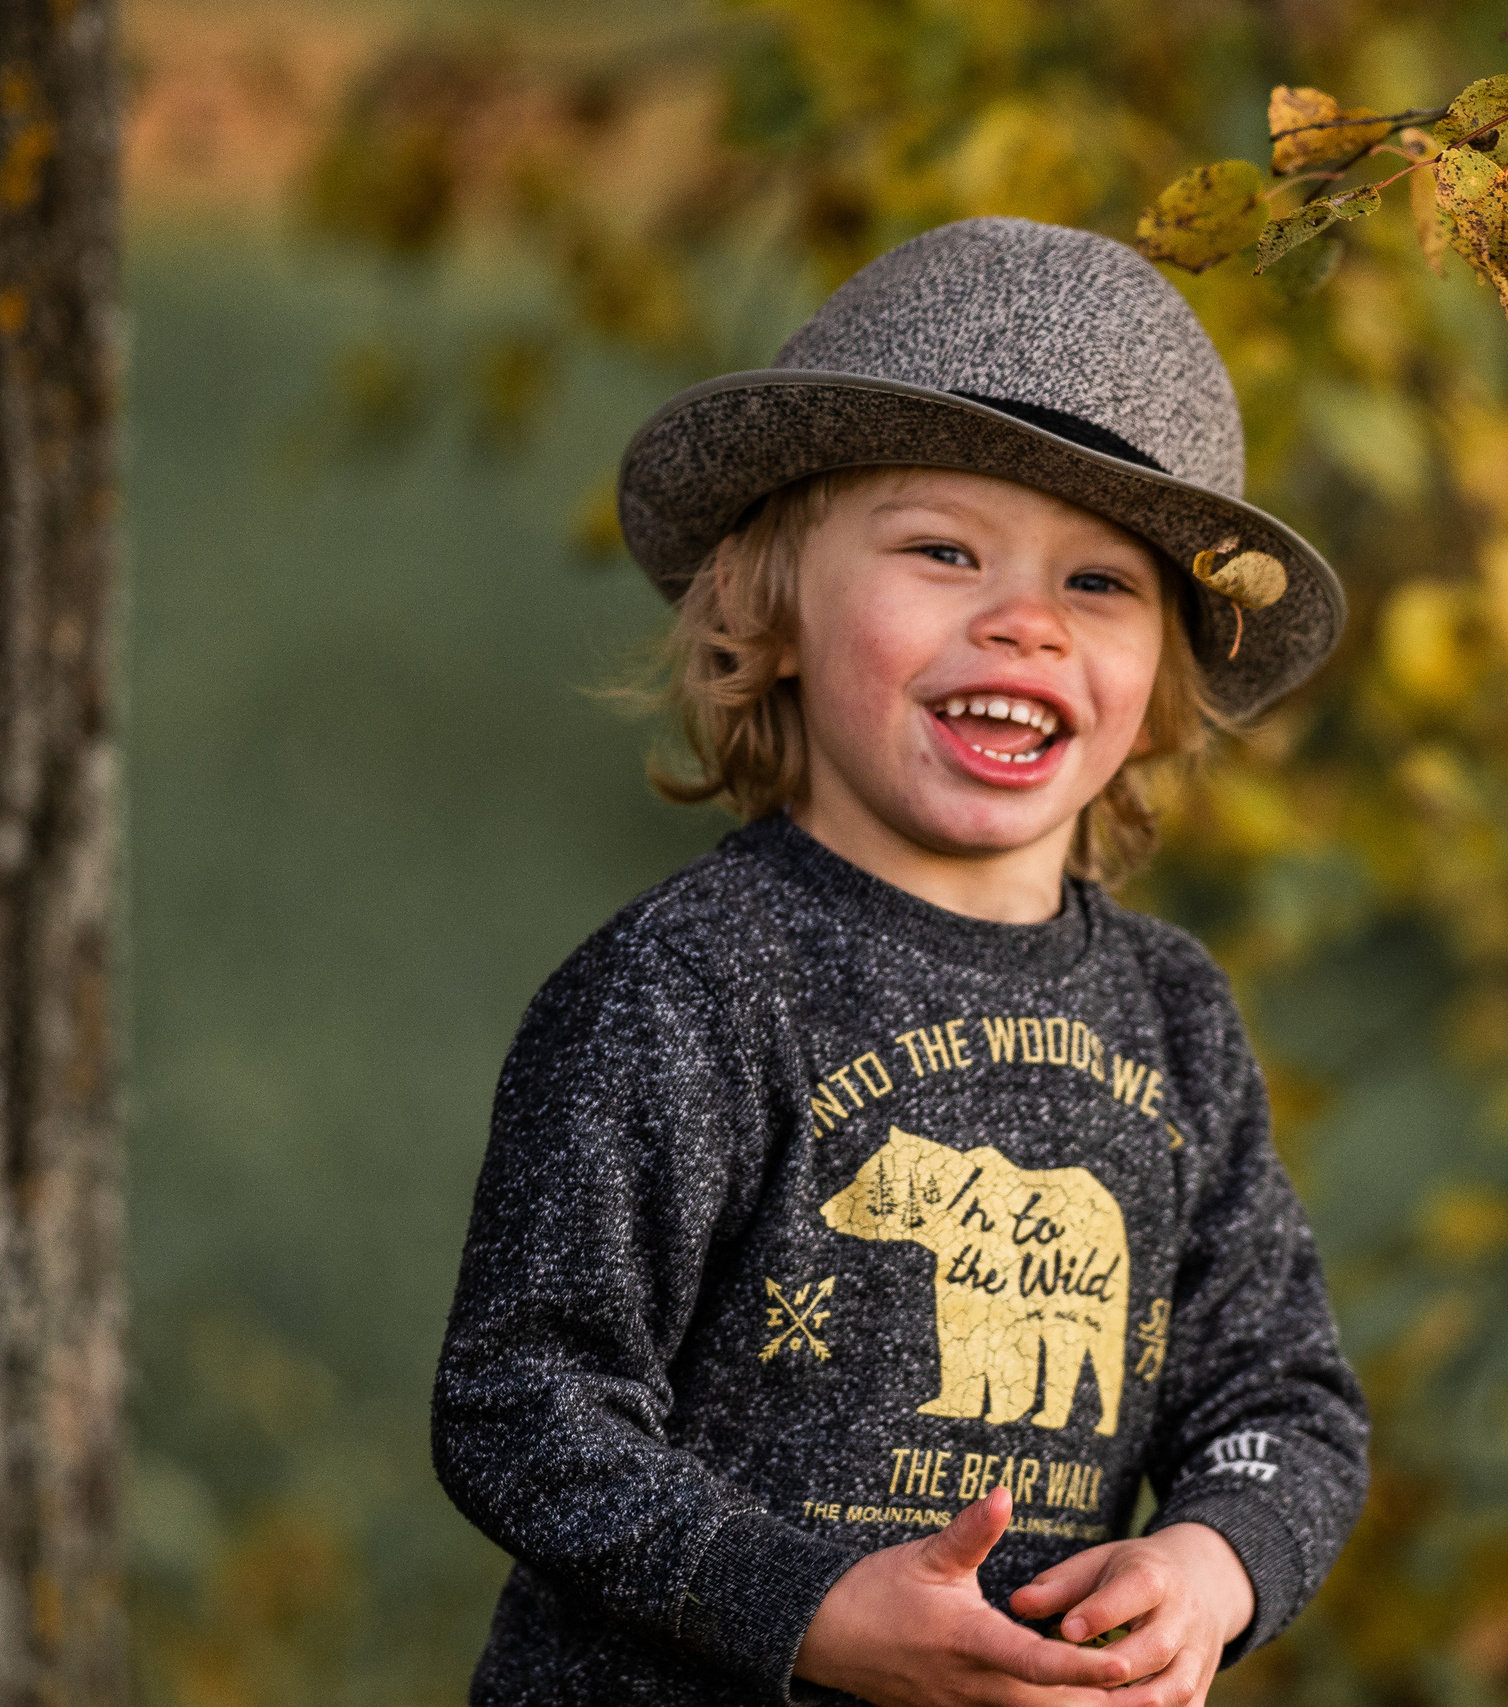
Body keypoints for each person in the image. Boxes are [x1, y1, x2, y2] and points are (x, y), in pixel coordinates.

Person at [431, 216, 1368, 1707]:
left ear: (1163, 678)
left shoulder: (1176, 1017)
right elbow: (525, 1405)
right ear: (773, 608)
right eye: (944, 551)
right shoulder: (690, 988)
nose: (1024, 624)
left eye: (1101, 586)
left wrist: (1211, 1562)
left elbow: (1282, 1401)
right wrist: (806, 1608)